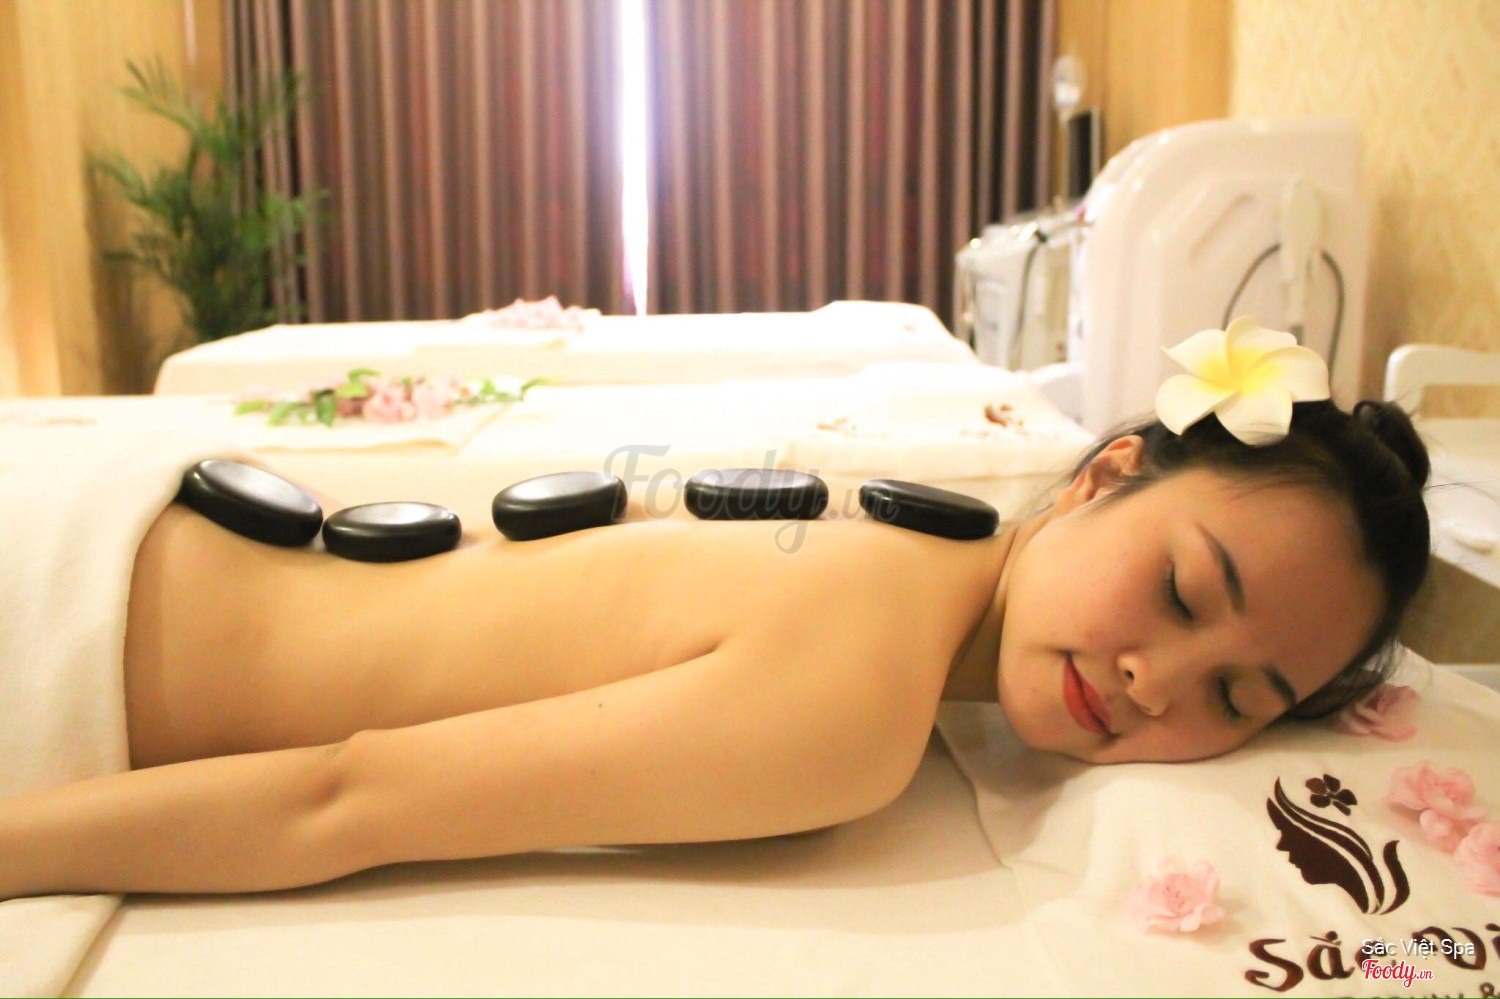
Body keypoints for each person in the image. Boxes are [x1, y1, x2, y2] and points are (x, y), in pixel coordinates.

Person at [0, 321, 1430, 900]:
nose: (1157, 682)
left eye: (1238, 697)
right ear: (1104, 476)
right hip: (68, 611)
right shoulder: (855, 710)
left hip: (133, 524)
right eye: (1183, 592)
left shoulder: (916, 539)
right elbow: (344, 800)